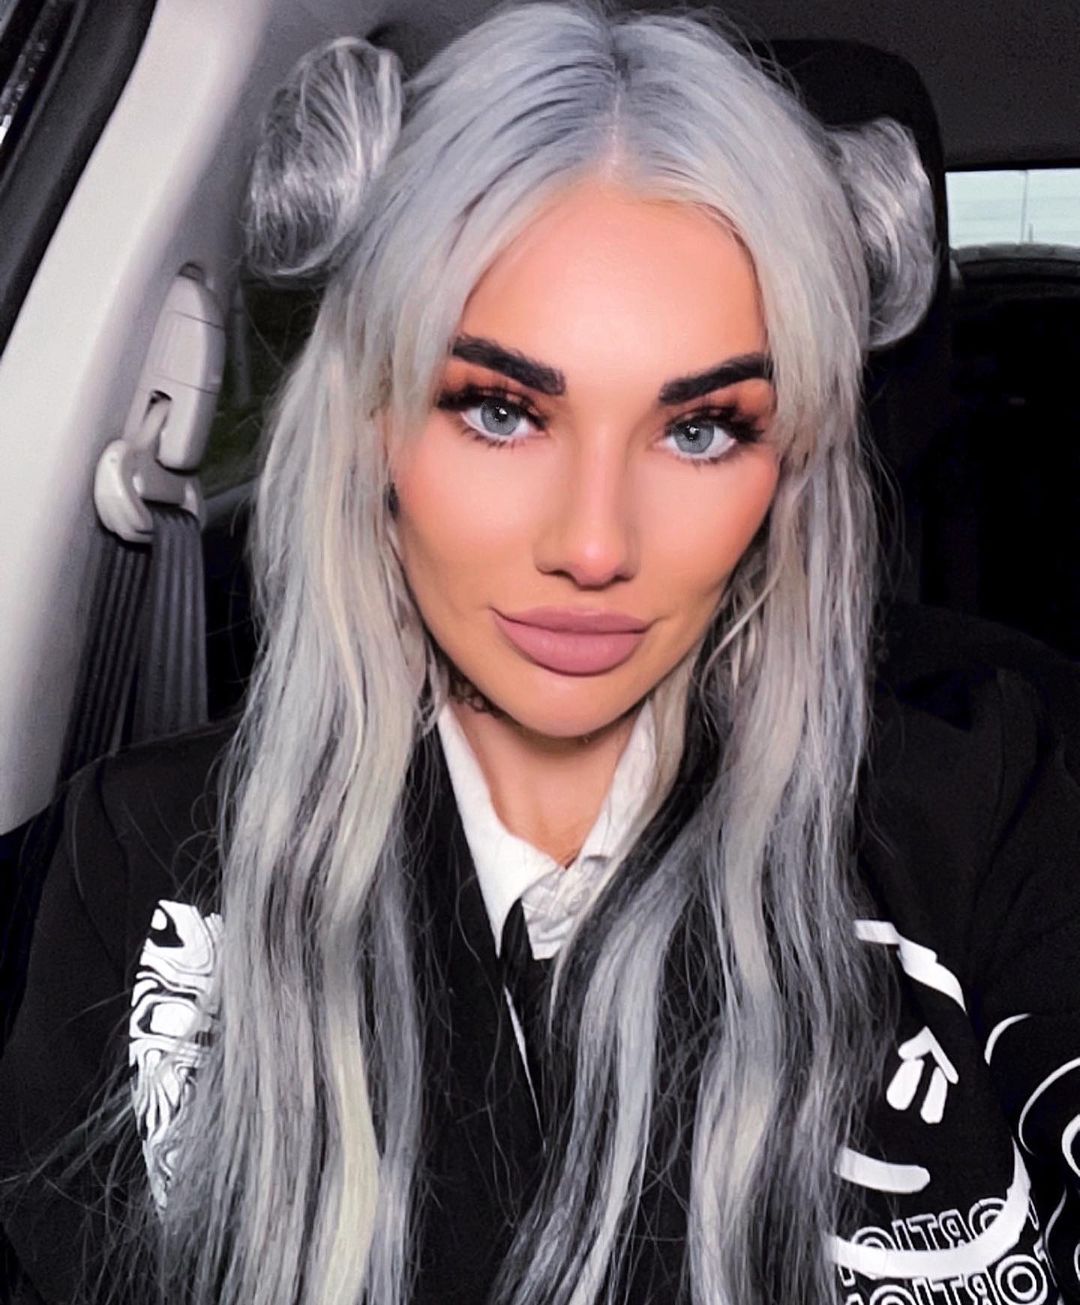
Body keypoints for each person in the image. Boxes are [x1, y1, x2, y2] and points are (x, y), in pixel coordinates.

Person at [2, 2, 1079, 1302]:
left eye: (698, 429)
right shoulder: (144, 861)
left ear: (787, 465)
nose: (593, 542)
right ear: (374, 421)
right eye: (503, 411)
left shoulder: (990, 808)